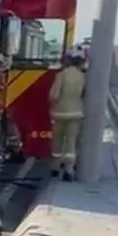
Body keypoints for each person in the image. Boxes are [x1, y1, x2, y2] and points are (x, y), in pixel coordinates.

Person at [48, 52, 86, 182]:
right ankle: (69, 170)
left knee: (58, 140)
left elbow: (54, 95)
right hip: (76, 113)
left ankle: (56, 167)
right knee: (71, 142)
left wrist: (52, 104)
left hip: (60, 112)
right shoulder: (82, 76)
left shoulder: (61, 75)